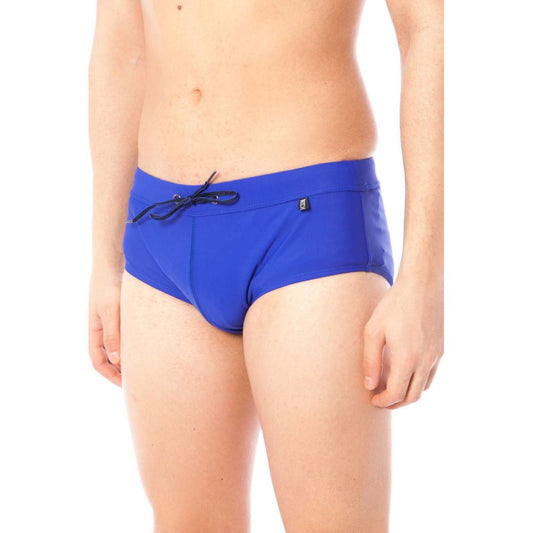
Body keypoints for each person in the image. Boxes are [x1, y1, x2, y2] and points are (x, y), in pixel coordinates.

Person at [88, 0, 443, 531]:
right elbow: (122, 51)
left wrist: (423, 278)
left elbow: (426, 29)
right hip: (160, 227)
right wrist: (104, 260)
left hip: (306, 223)